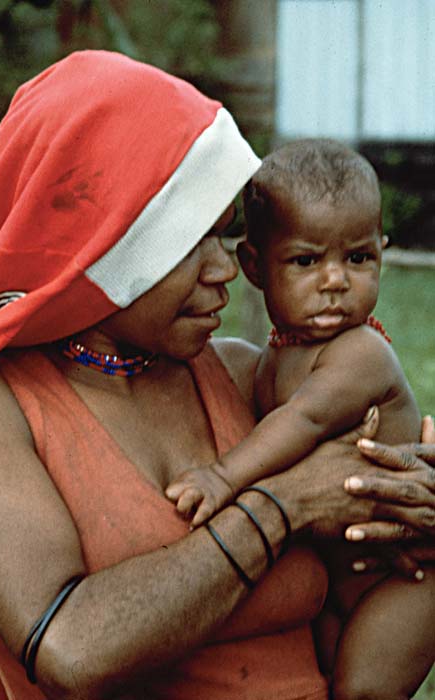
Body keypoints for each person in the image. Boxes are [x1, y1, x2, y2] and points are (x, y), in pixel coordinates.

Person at [0, 52, 434, 700]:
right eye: (187, 242)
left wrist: (415, 508)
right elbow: (72, 649)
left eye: (224, 235)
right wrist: (284, 504)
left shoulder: (241, 377)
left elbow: (364, 585)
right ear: (97, 244)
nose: (225, 270)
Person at [165, 139, 435, 699]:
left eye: (358, 258)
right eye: (307, 261)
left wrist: (222, 478)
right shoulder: (267, 358)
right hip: (341, 569)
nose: (335, 280)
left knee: (361, 691)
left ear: (382, 254)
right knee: (325, 682)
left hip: (404, 573)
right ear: (255, 267)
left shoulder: (360, 352)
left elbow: (306, 421)